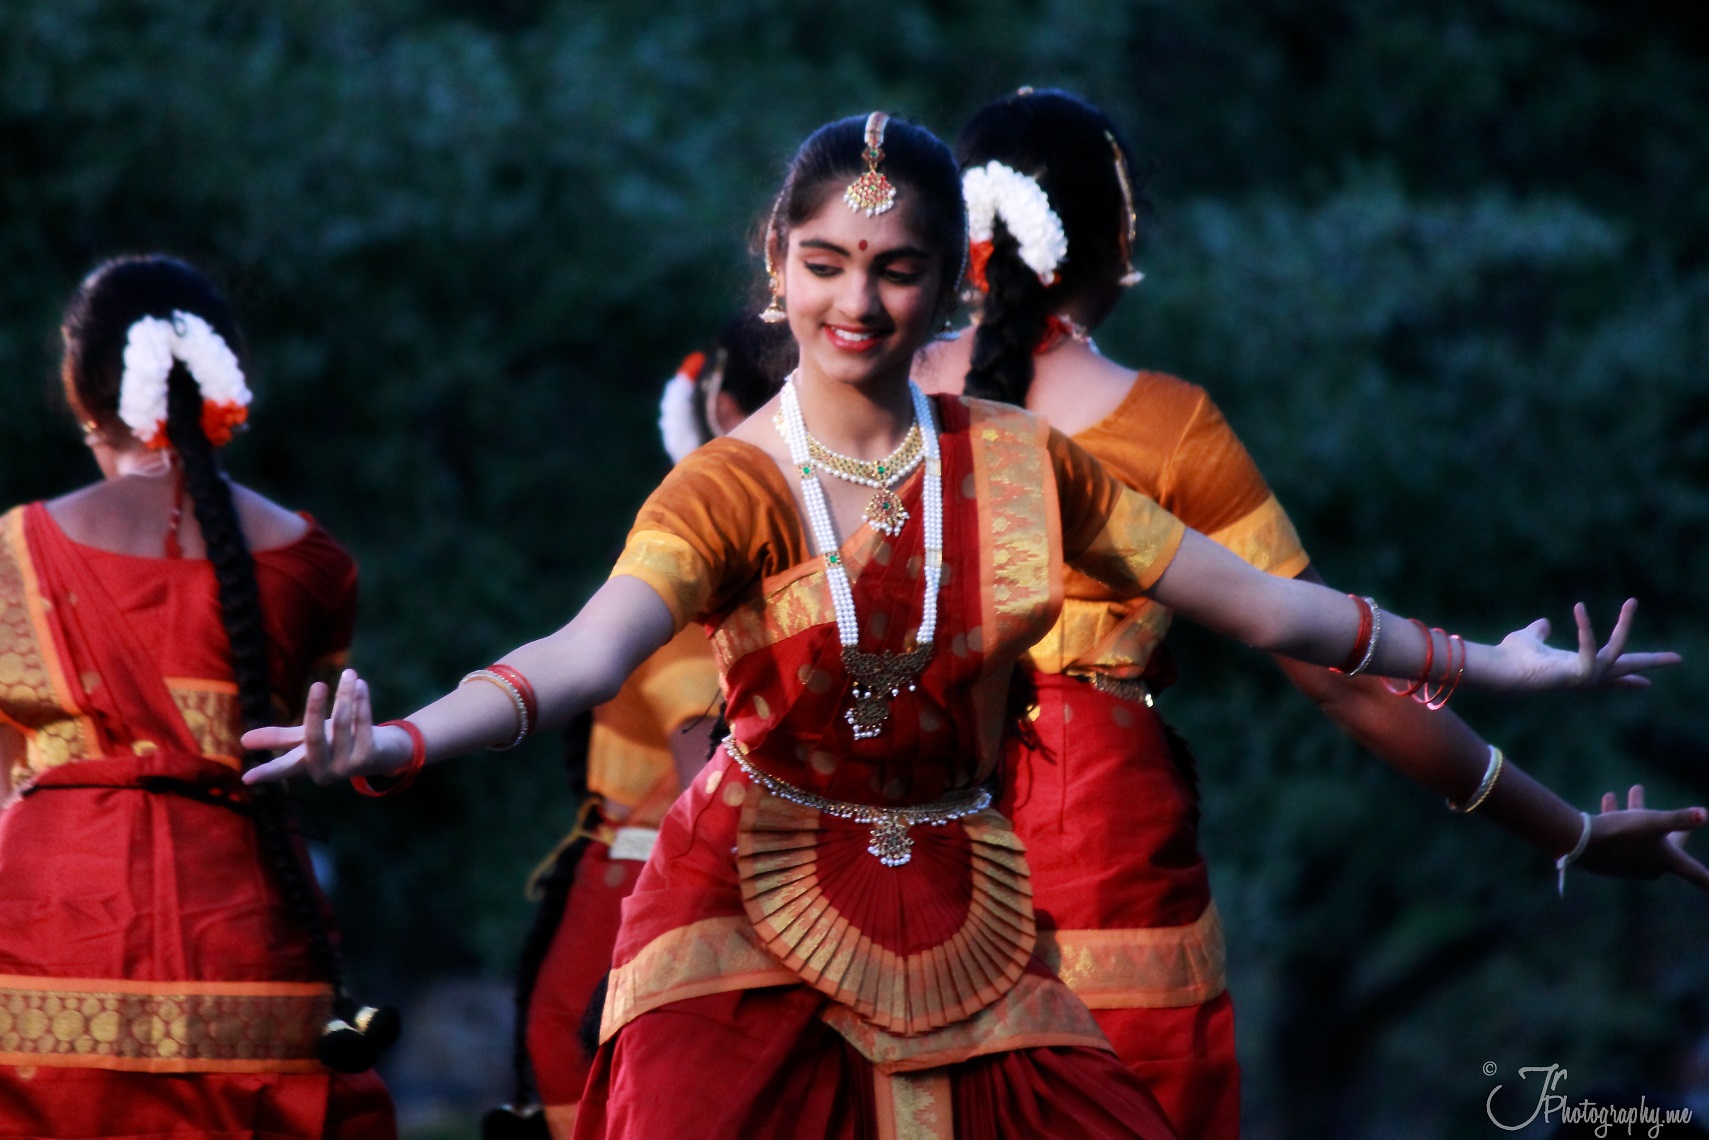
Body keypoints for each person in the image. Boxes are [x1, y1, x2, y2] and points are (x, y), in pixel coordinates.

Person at [241, 114, 1679, 1140]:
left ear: (952, 279)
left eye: (894, 270)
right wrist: (400, 740)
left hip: (963, 901)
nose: (853, 300)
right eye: (822, 263)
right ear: (775, 266)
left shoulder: (1018, 461)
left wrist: (1499, 662)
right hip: (741, 906)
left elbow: (1265, 606)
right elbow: (586, 652)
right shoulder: (731, 482)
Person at [912, 87, 1709, 1140]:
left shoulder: (869, 402)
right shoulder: (1166, 429)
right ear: (1115, 241)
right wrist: (1563, 828)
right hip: (1096, 829)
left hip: (890, 832)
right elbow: (1337, 675)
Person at [0, 257, 396, 1137]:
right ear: (227, 371)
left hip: (45, 949)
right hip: (251, 942)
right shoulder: (310, 561)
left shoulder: (16, 551)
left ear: (77, 382)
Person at [489, 315, 787, 1140]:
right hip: (742, 898)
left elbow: (713, 786)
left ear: (722, 404)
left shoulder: (698, 578)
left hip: (668, 900)